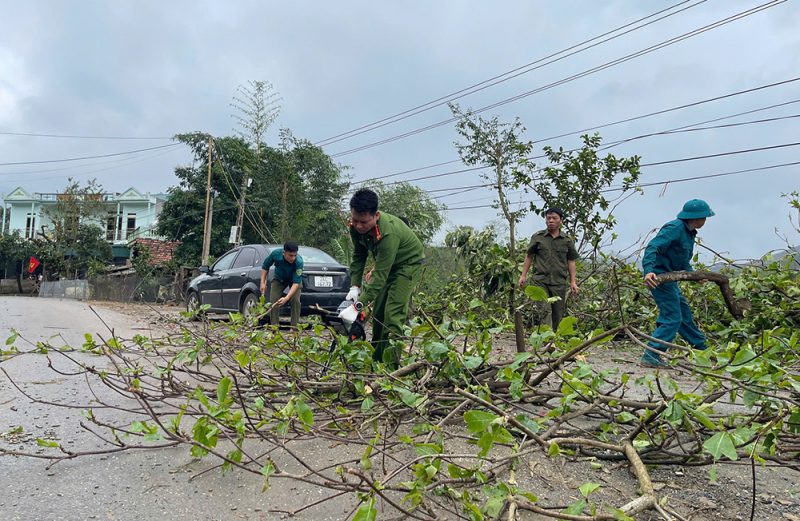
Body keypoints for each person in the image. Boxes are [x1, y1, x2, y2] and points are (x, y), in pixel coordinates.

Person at [339, 189, 426, 368]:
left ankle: (392, 368)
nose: (359, 226)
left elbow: (380, 275)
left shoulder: (388, 233)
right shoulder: (355, 226)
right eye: (355, 220)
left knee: (393, 315)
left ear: (376, 216)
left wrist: (358, 306)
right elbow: (359, 255)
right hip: (388, 264)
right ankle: (377, 362)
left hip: (408, 265)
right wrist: (354, 287)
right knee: (378, 314)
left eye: (364, 222)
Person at [640, 199, 714, 368]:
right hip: (659, 278)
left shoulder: (689, 233)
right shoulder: (675, 228)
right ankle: (652, 354)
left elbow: (682, 261)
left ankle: (703, 350)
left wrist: (695, 276)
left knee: (684, 316)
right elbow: (653, 247)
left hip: (671, 278)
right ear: (698, 217)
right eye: (705, 217)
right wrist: (649, 270)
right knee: (672, 317)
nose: (706, 221)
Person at [517, 207, 580, 331]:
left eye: (554, 218)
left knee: (558, 313)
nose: (551, 221)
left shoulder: (567, 240)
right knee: (545, 310)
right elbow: (529, 256)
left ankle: (554, 341)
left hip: (559, 282)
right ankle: (547, 340)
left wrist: (573, 282)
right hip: (540, 280)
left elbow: (571, 261)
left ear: (560, 221)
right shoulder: (538, 237)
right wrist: (523, 276)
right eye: (548, 218)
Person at [260, 242, 304, 328]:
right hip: (279, 278)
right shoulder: (275, 254)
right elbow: (265, 266)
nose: (293, 258)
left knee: (295, 300)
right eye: (290, 255)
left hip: (293, 280)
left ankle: (293, 329)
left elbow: (296, 283)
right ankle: (274, 328)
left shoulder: (299, 262)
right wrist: (262, 283)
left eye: (295, 255)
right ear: (284, 253)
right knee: (274, 300)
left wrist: (287, 298)